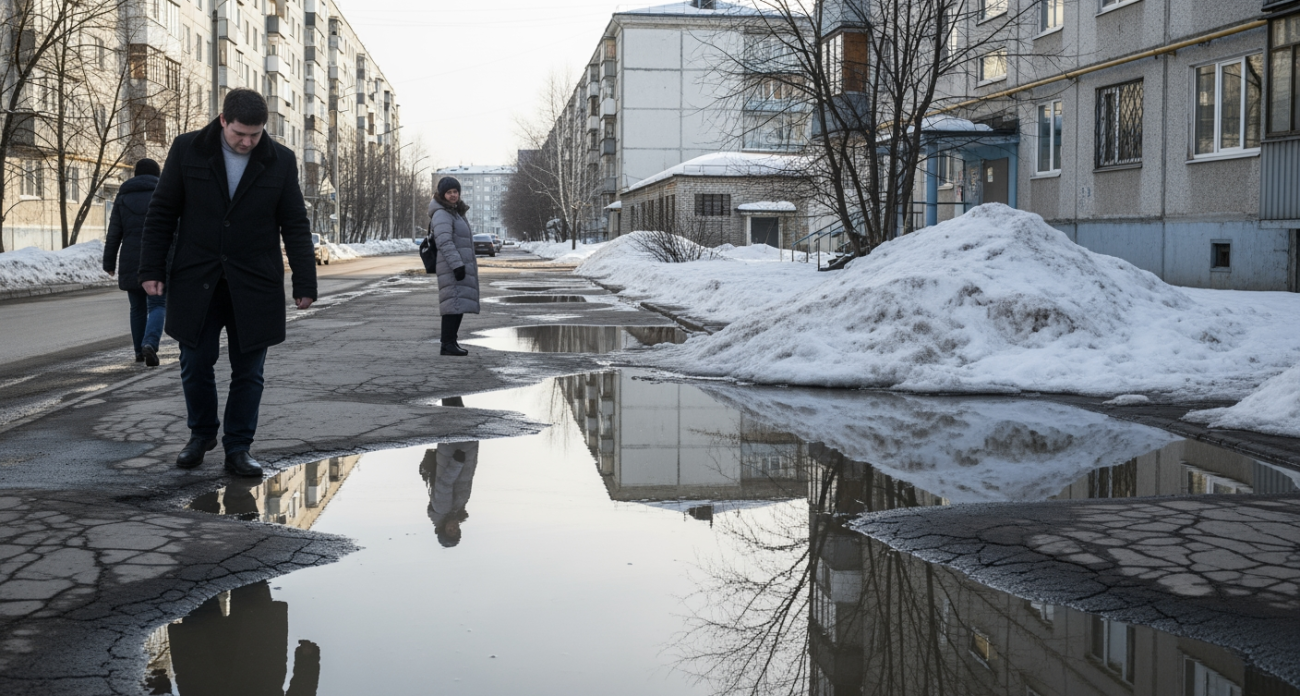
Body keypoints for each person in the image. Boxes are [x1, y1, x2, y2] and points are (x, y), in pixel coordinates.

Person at [138, 88, 317, 478]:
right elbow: (162, 212)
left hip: (255, 283)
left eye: (255, 134)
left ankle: (239, 447)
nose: (248, 142)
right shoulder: (188, 150)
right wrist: (150, 269)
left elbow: (295, 224)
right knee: (195, 363)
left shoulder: (280, 161)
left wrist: (305, 280)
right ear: (223, 121)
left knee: (249, 371)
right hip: (197, 279)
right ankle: (201, 435)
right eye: (240, 133)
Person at [102, 159, 164, 366]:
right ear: (157, 174)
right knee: (157, 304)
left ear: (135, 174)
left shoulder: (123, 196)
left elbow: (114, 233)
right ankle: (150, 343)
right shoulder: (163, 193)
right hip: (156, 257)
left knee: (136, 307)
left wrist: (109, 261)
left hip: (130, 258)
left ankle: (139, 351)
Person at [429, 177, 479, 356]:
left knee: (457, 303)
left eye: (455, 192)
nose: (453, 195)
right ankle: (447, 343)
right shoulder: (442, 213)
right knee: (453, 304)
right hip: (452, 265)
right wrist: (457, 265)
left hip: (457, 264)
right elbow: (444, 241)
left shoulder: (454, 212)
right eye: (449, 192)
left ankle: (451, 341)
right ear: (442, 194)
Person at [419, 440, 479, 547]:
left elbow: (444, 484)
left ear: (443, 529)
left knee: (456, 425)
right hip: (463, 453)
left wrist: (457, 462)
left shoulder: (441, 509)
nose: (454, 528)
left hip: (453, 453)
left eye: (450, 531)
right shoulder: (455, 511)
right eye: (456, 531)